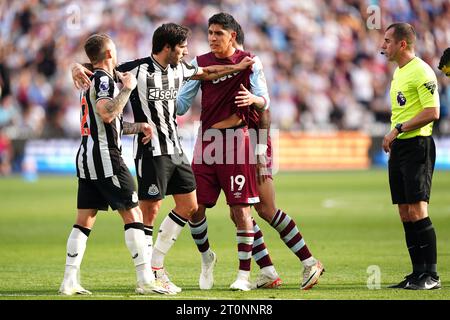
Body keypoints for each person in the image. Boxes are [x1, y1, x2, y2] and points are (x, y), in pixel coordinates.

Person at [71, 23, 255, 294]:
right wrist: (76, 65)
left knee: (191, 206)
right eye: (182, 47)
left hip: (176, 149)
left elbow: (207, 72)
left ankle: (158, 263)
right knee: (150, 211)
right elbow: (101, 64)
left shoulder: (180, 68)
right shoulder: (136, 69)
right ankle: (149, 273)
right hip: (150, 150)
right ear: (167, 47)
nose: (186, 52)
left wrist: (237, 68)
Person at [178, 19, 324, 291]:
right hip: (221, 143)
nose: (212, 39)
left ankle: (310, 262)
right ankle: (268, 270)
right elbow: (188, 96)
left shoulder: (250, 64)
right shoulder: (217, 65)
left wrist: (259, 152)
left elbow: (265, 110)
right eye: (209, 34)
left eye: (218, 34)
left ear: (234, 38)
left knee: (264, 209)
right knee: (240, 213)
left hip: (253, 142)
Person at [59, 33, 172, 296]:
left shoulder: (91, 78)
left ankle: (69, 281)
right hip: (106, 158)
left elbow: (110, 123)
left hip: (88, 157)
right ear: (109, 54)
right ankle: (145, 280)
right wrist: (128, 88)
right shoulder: (103, 80)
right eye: (115, 49)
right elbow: (108, 113)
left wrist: (137, 127)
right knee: (134, 215)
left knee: (84, 220)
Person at [381, 23, 441, 290]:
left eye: (387, 41)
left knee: (418, 210)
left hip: (418, 145)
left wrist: (398, 129)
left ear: (402, 44)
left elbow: (432, 111)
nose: (383, 46)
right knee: (405, 212)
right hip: (401, 147)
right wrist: (396, 134)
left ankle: (432, 276)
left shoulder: (422, 71)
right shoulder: (399, 72)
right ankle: (417, 273)